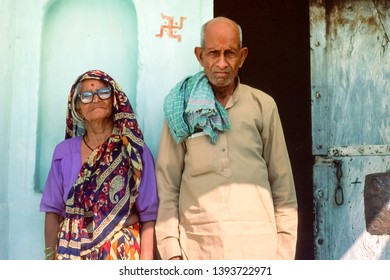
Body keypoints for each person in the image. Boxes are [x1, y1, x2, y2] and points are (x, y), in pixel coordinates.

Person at [155, 17, 298, 260]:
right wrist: (171, 252)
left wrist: (283, 254)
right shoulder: (182, 107)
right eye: (213, 53)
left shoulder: (262, 105)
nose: (221, 63)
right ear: (200, 56)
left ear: (242, 57)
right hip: (197, 248)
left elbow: (283, 184)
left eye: (229, 53)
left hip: (258, 248)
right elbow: (168, 183)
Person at [40, 69, 158, 260]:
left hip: (121, 252)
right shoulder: (63, 152)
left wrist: (145, 264)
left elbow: (149, 214)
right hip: (71, 254)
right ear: (77, 108)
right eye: (86, 96)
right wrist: (50, 257)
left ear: (114, 100)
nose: (95, 99)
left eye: (103, 92)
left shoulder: (135, 151)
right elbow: (52, 210)